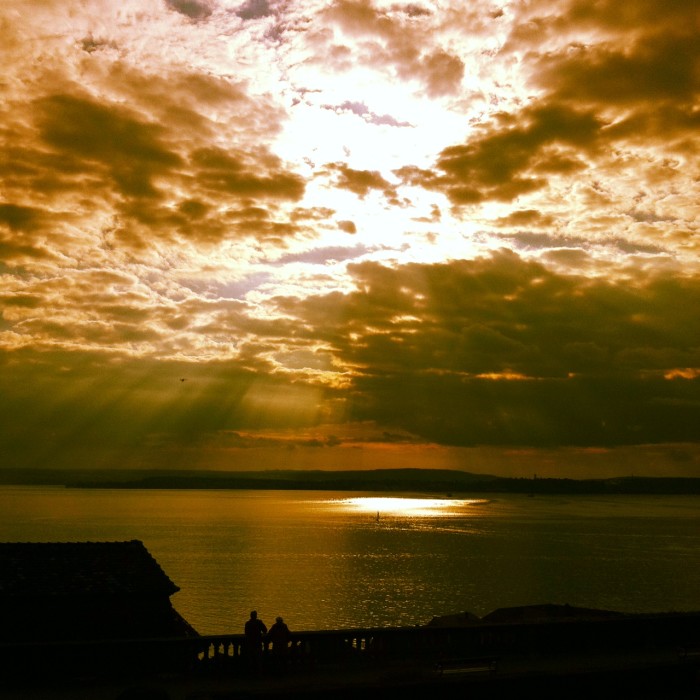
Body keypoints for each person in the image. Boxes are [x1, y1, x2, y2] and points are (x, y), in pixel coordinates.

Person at [244, 610, 267, 674]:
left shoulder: (247, 623)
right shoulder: (259, 622)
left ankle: (251, 673)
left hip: (250, 643)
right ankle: (259, 673)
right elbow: (265, 630)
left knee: (251, 659)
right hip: (257, 643)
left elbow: (246, 633)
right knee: (258, 660)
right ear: (256, 616)